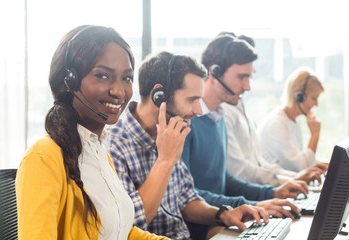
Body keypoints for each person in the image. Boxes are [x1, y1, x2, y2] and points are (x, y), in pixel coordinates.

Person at [15, 25, 168, 240]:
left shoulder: (99, 150)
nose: (118, 91)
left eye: (126, 78)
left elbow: (120, 231)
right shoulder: (43, 158)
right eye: (103, 76)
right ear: (69, 80)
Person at [106, 51, 269, 239]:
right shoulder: (114, 147)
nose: (198, 110)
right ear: (158, 96)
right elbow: (130, 223)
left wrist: (223, 214)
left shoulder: (168, 132)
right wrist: (165, 160)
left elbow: (187, 200)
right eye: (192, 100)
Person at [182, 33, 310, 221]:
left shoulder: (218, 117)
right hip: (202, 225)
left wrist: (271, 193)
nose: (247, 86)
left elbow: (224, 181)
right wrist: (252, 205)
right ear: (213, 72)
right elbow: (185, 195)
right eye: (241, 77)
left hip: (221, 218)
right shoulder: (187, 121)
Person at [257, 67, 325, 172]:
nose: (316, 104)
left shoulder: (293, 121)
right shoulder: (276, 124)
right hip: (277, 186)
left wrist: (325, 165)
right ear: (299, 95)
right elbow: (300, 167)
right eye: (314, 98)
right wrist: (314, 135)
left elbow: (305, 159)